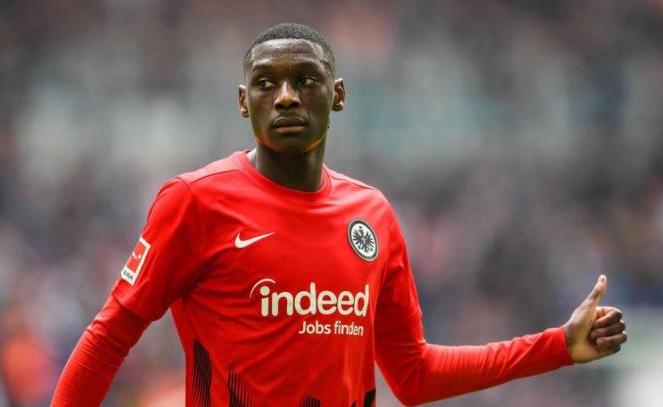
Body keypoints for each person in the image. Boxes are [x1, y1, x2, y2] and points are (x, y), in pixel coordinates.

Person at [51, 23, 627, 407]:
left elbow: (414, 375)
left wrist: (557, 345)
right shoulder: (194, 201)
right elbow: (107, 339)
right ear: (244, 102)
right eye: (266, 83)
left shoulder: (372, 215)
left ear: (340, 95)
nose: (285, 96)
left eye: (305, 80)